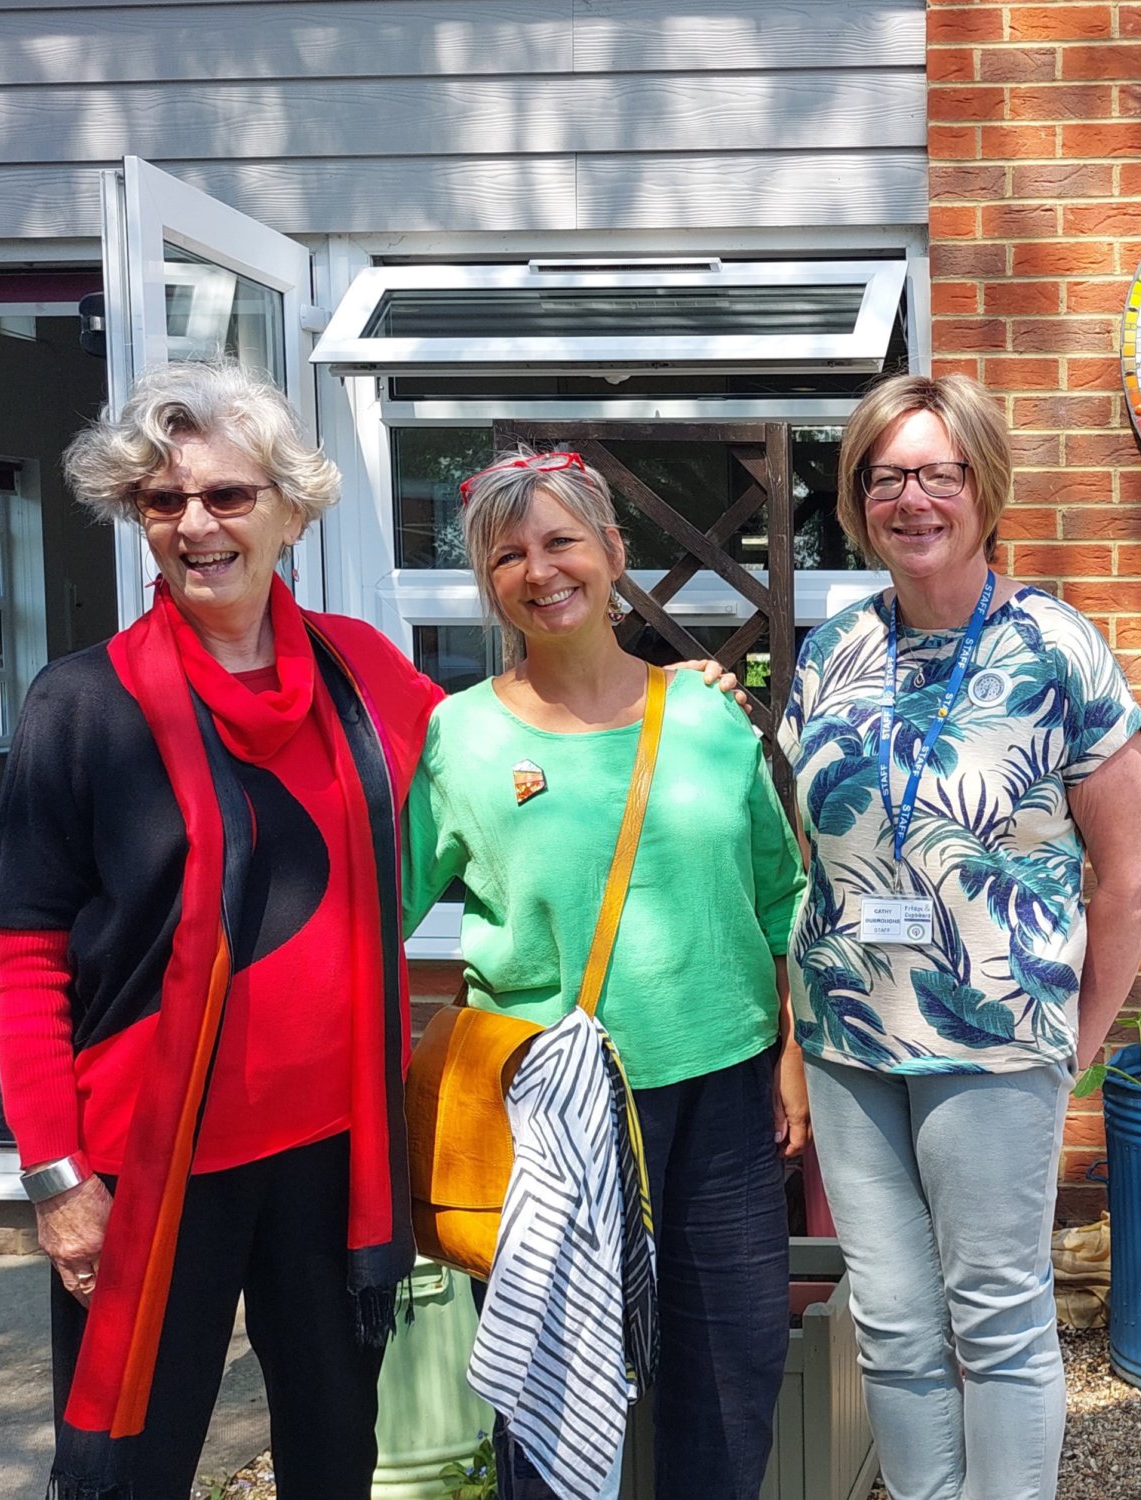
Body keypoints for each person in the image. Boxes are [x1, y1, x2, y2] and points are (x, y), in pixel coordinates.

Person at [0, 360, 439, 1499]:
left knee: (336, 1457)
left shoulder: (364, 671)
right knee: (119, 1467)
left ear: (290, 507)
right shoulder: (82, 703)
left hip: (333, 1158)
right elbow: (25, 950)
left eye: (228, 496)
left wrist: (661, 707)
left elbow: (519, 767)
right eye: (162, 500)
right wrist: (54, 1177)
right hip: (146, 1164)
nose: (196, 526)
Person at [777, 372, 1141, 1500]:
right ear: (857, 498)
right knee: (892, 1324)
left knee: (994, 1317)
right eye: (884, 475)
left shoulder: (1053, 648)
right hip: (850, 1040)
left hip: (996, 1041)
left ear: (980, 487)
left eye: (936, 473)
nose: (912, 499)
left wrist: (1074, 1039)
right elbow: (811, 865)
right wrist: (797, 1047)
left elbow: (1133, 875)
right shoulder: (832, 650)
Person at [403, 447, 809, 1500]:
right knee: (551, 1384)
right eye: (508, 554)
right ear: (487, 581)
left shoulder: (708, 715)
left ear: (613, 553)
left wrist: (793, 1055)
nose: (540, 571)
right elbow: (376, 912)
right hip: (550, 1112)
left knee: (729, 1371)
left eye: (560, 541)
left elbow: (779, 899)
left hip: (721, 1089)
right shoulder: (459, 737)